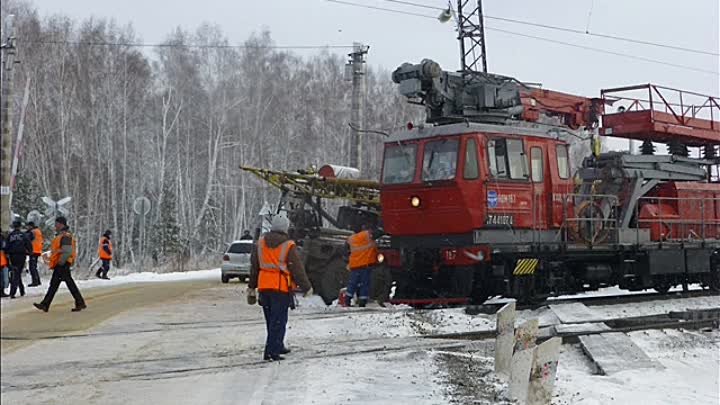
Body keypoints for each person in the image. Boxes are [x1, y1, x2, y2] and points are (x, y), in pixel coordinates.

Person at [248, 216, 313, 361]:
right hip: (280, 287)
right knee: (279, 320)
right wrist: (306, 286)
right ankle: (271, 352)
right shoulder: (288, 245)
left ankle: (278, 345)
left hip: (264, 286)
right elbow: (297, 268)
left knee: (271, 320)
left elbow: (254, 267)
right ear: (285, 228)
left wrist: (251, 287)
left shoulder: (261, 243)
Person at [33, 217, 86, 312]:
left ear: (61, 224)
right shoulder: (61, 236)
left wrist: (61, 263)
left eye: (56, 224)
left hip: (63, 263)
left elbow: (67, 250)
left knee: (61, 284)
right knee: (58, 284)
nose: (55, 226)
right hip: (61, 263)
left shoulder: (65, 236)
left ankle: (45, 304)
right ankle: (46, 304)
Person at [343, 223, 382, 307]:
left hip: (354, 265)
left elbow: (345, 251)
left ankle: (347, 300)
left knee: (352, 283)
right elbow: (379, 233)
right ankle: (362, 301)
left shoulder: (351, 238)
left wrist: (347, 261)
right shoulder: (367, 235)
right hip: (365, 265)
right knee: (365, 283)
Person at [6, 220, 31, 298]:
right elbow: (28, 244)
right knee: (17, 273)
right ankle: (13, 292)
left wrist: (7, 254)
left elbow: (7, 245)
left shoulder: (10, 235)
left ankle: (21, 289)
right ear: (20, 226)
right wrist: (30, 252)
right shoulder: (23, 235)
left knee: (16, 272)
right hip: (21, 255)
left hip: (12, 256)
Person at [26, 221, 44, 287]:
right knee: (34, 267)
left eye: (28, 226)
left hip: (33, 251)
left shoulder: (32, 232)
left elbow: (27, 239)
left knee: (32, 267)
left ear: (31, 226)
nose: (27, 227)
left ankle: (35, 281)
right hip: (37, 250)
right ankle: (37, 281)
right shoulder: (38, 231)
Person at [0, 233, 9, 298]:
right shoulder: (2, 238)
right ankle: (1, 292)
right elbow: (5, 247)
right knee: (2, 277)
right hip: (1, 261)